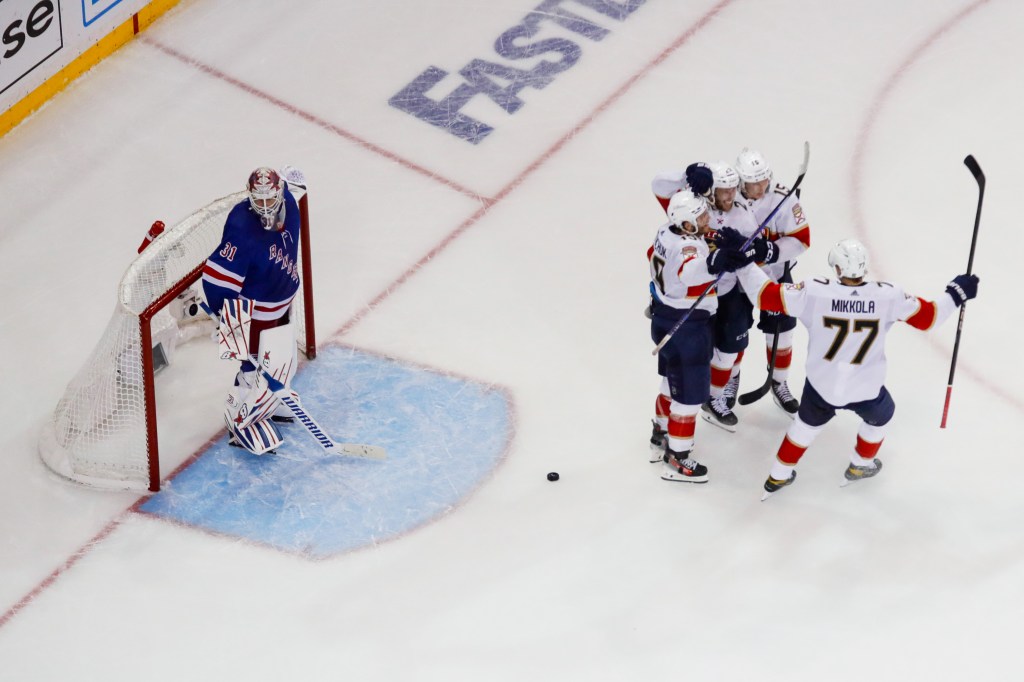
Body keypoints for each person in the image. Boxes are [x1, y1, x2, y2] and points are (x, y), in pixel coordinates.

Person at [728, 237, 979, 499]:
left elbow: (764, 296)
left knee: (803, 427)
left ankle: (777, 476)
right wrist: (956, 293)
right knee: (882, 416)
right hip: (866, 387)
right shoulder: (887, 295)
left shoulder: (814, 291)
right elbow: (930, 318)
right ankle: (860, 465)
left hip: (822, 385)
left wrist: (745, 264)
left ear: (837, 269)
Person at [201, 166, 305, 454]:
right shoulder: (241, 226)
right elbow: (215, 277)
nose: (264, 207)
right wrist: (227, 318)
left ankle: (269, 399)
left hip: (283, 301)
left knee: (281, 356)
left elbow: (298, 182)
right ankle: (240, 420)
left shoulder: (290, 205)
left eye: (270, 199)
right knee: (253, 364)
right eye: (257, 200)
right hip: (256, 308)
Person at [647, 190, 749, 483]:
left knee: (669, 383)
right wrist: (718, 262)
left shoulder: (666, 231)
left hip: (665, 318)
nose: (708, 220)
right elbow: (692, 271)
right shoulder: (689, 250)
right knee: (690, 398)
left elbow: (692, 247)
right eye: (702, 217)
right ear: (688, 226)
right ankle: (678, 460)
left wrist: (715, 241)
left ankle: (659, 436)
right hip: (687, 326)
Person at [733, 148, 811, 415]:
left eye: (763, 180)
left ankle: (778, 382)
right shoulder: (727, 196)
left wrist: (772, 251)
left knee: (783, 331)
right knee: (732, 336)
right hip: (736, 281)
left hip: (774, 276)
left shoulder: (783, 198)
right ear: (741, 182)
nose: (760, 187)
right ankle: (729, 380)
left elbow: (802, 239)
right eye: (753, 183)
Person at [701, 162, 760, 432]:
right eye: (724, 190)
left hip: (731, 290)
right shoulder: (697, 210)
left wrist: (743, 252)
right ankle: (716, 384)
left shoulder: (743, 214)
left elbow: (754, 253)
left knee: (733, 345)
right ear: (711, 191)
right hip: (700, 292)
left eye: (734, 189)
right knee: (706, 347)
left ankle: (718, 393)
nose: (730, 195)